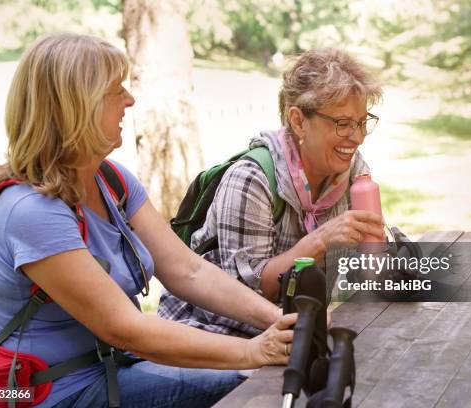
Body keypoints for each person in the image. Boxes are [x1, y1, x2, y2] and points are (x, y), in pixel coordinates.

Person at [0, 33, 296, 408]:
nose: (129, 99)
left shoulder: (110, 180)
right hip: (58, 393)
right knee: (259, 388)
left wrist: (278, 321)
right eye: (116, 90)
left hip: (116, 367)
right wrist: (254, 352)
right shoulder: (32, 212)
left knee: (267, 380)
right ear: (78, 105)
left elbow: (188, 271)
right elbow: (125, 330)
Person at [158, 48, 385, 338]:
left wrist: (380, 261)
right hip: (211, 335)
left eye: (362, 122)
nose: (357, 137)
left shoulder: (353, 172)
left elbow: (362, 275)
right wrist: (320, 239)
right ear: (299, 120)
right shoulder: (251, 179)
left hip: (290, 335)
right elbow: (245, 292)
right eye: (342, 123)